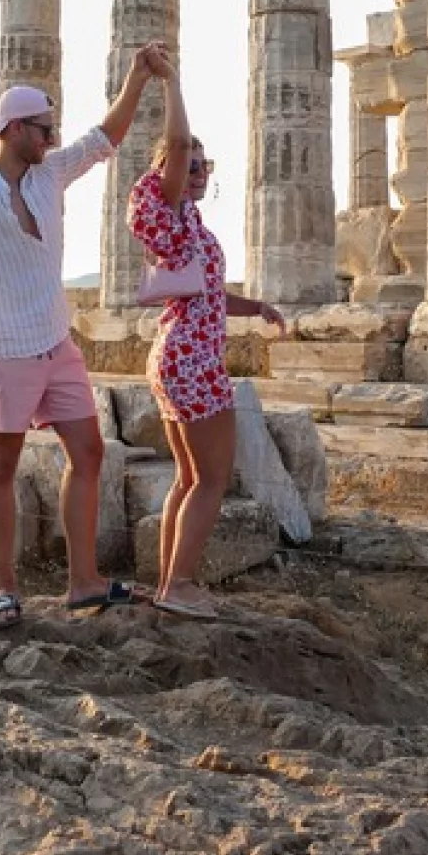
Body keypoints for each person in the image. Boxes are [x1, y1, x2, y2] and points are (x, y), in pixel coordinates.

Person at [0, 47, 170, 630]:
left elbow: (103, 137)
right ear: (12, 130)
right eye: (43, 129)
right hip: (1, 349)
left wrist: (137, 77)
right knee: (1, 464)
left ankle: (83, 582)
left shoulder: (50, 173)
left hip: (57, 341)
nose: (53, 139)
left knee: (88, 452)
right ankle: (3, 589)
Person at [128, 59, 285, 619]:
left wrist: (257, 308)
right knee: (213, 479)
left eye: (202, 164)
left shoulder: (190, 225)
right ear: (167, 168)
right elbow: (172, 137)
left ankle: (171, 579)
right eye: (184, 163)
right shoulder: (167, 210)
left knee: (190, 477)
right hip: (190, 360)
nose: (195, 170)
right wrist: (172, 81)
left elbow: (207, 296)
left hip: (178, 353)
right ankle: (182, 585)